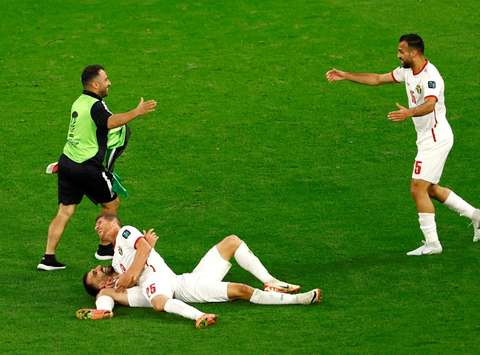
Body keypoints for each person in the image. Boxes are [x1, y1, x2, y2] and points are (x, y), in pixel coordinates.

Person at [326, 34, 480, 255]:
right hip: (428, 138)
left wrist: (409, 112)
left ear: (413, 53)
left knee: (417, 189)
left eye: (401, 51)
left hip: (436, 139)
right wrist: (346, 75)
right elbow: (377, 78)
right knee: (431, 189)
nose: (398, 55)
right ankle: (477, 217)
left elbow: (429, 104)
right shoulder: (407, 71)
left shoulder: (430, 76)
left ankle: (433, 244)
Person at [79, 214, 321, 328]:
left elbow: (140, 250)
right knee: (242, 288)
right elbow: (138, 261)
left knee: (233, 242)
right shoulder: (118, 262)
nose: (96, 227)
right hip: (182, 283)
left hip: (167, 282)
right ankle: (296, 300)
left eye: (99, 223)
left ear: (113, 223)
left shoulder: (125, 232)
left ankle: (271, 281)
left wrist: (132, 271)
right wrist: (126, 277)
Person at [37, 65, 157, 271]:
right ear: (95, 84)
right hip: (86, 167)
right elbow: (109, 122)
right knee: (112, 203)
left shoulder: (79, 101)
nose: (109, 82)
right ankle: (104, 249)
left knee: (64, 212)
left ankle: (48, 258)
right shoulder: (95, 105)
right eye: (106, 79)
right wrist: (136, 112)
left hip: (66, 163)